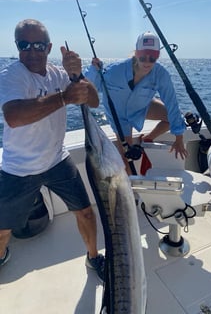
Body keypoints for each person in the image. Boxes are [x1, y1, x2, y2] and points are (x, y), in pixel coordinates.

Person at [0, 19, 104, 281]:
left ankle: (93, 258)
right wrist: (64, 97)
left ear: (48, 48)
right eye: (24, 45)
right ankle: (1, 256)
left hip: (58, 160)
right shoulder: (11, 75)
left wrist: (78, 75)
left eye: (38, 45)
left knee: (86, 212)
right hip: (18, 168)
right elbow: (13, 115)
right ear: (17, 46)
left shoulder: (59, 74)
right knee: (2, 231)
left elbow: (94, 101)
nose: (31, 52)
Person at [85, 31, 188, 174]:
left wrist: (179, 137)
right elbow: (89, 86)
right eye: (143, 56)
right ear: (136, 53)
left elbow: (172, 103)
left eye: (152, 58)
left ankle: (147, 139)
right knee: (126, 158)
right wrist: (94, 70)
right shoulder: (114, 71)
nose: (147, 62)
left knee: (175, 118)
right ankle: (132, 192)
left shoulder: (161, 74)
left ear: (158, 56)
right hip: (120, 117)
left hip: (142, 106)